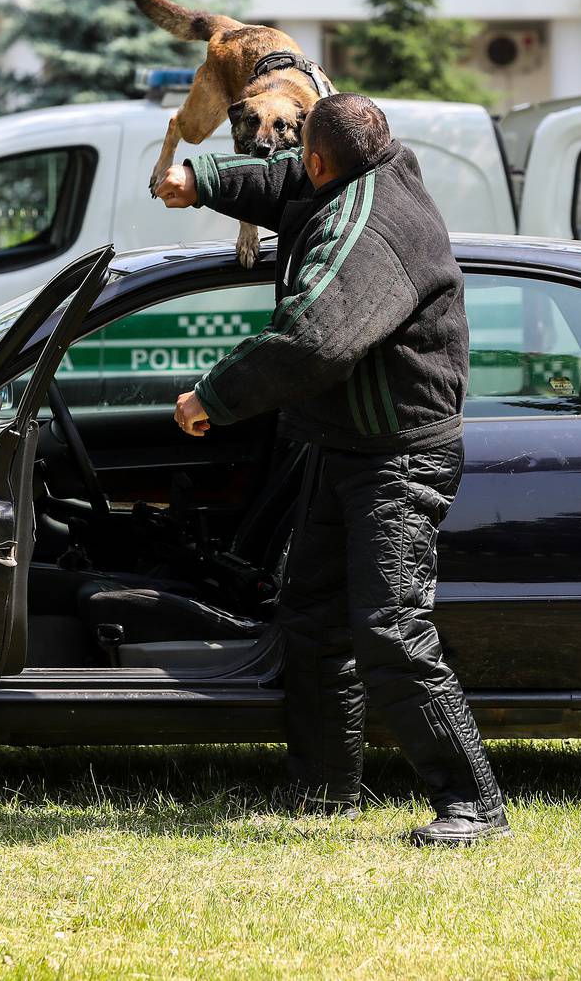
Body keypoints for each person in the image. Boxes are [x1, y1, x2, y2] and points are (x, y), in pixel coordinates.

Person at [154, 93, 508, 847]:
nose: (293, 169)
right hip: (348, 446)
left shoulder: (367, 230)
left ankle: (475, 806)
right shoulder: (368, 172)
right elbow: (284, 184)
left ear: (322, 159)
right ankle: (323, 794)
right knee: (313, 621)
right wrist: (205, 179)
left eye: (301, 154)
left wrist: (214, 397)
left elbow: (314, 341)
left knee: (389, 628)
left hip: (399, 456)